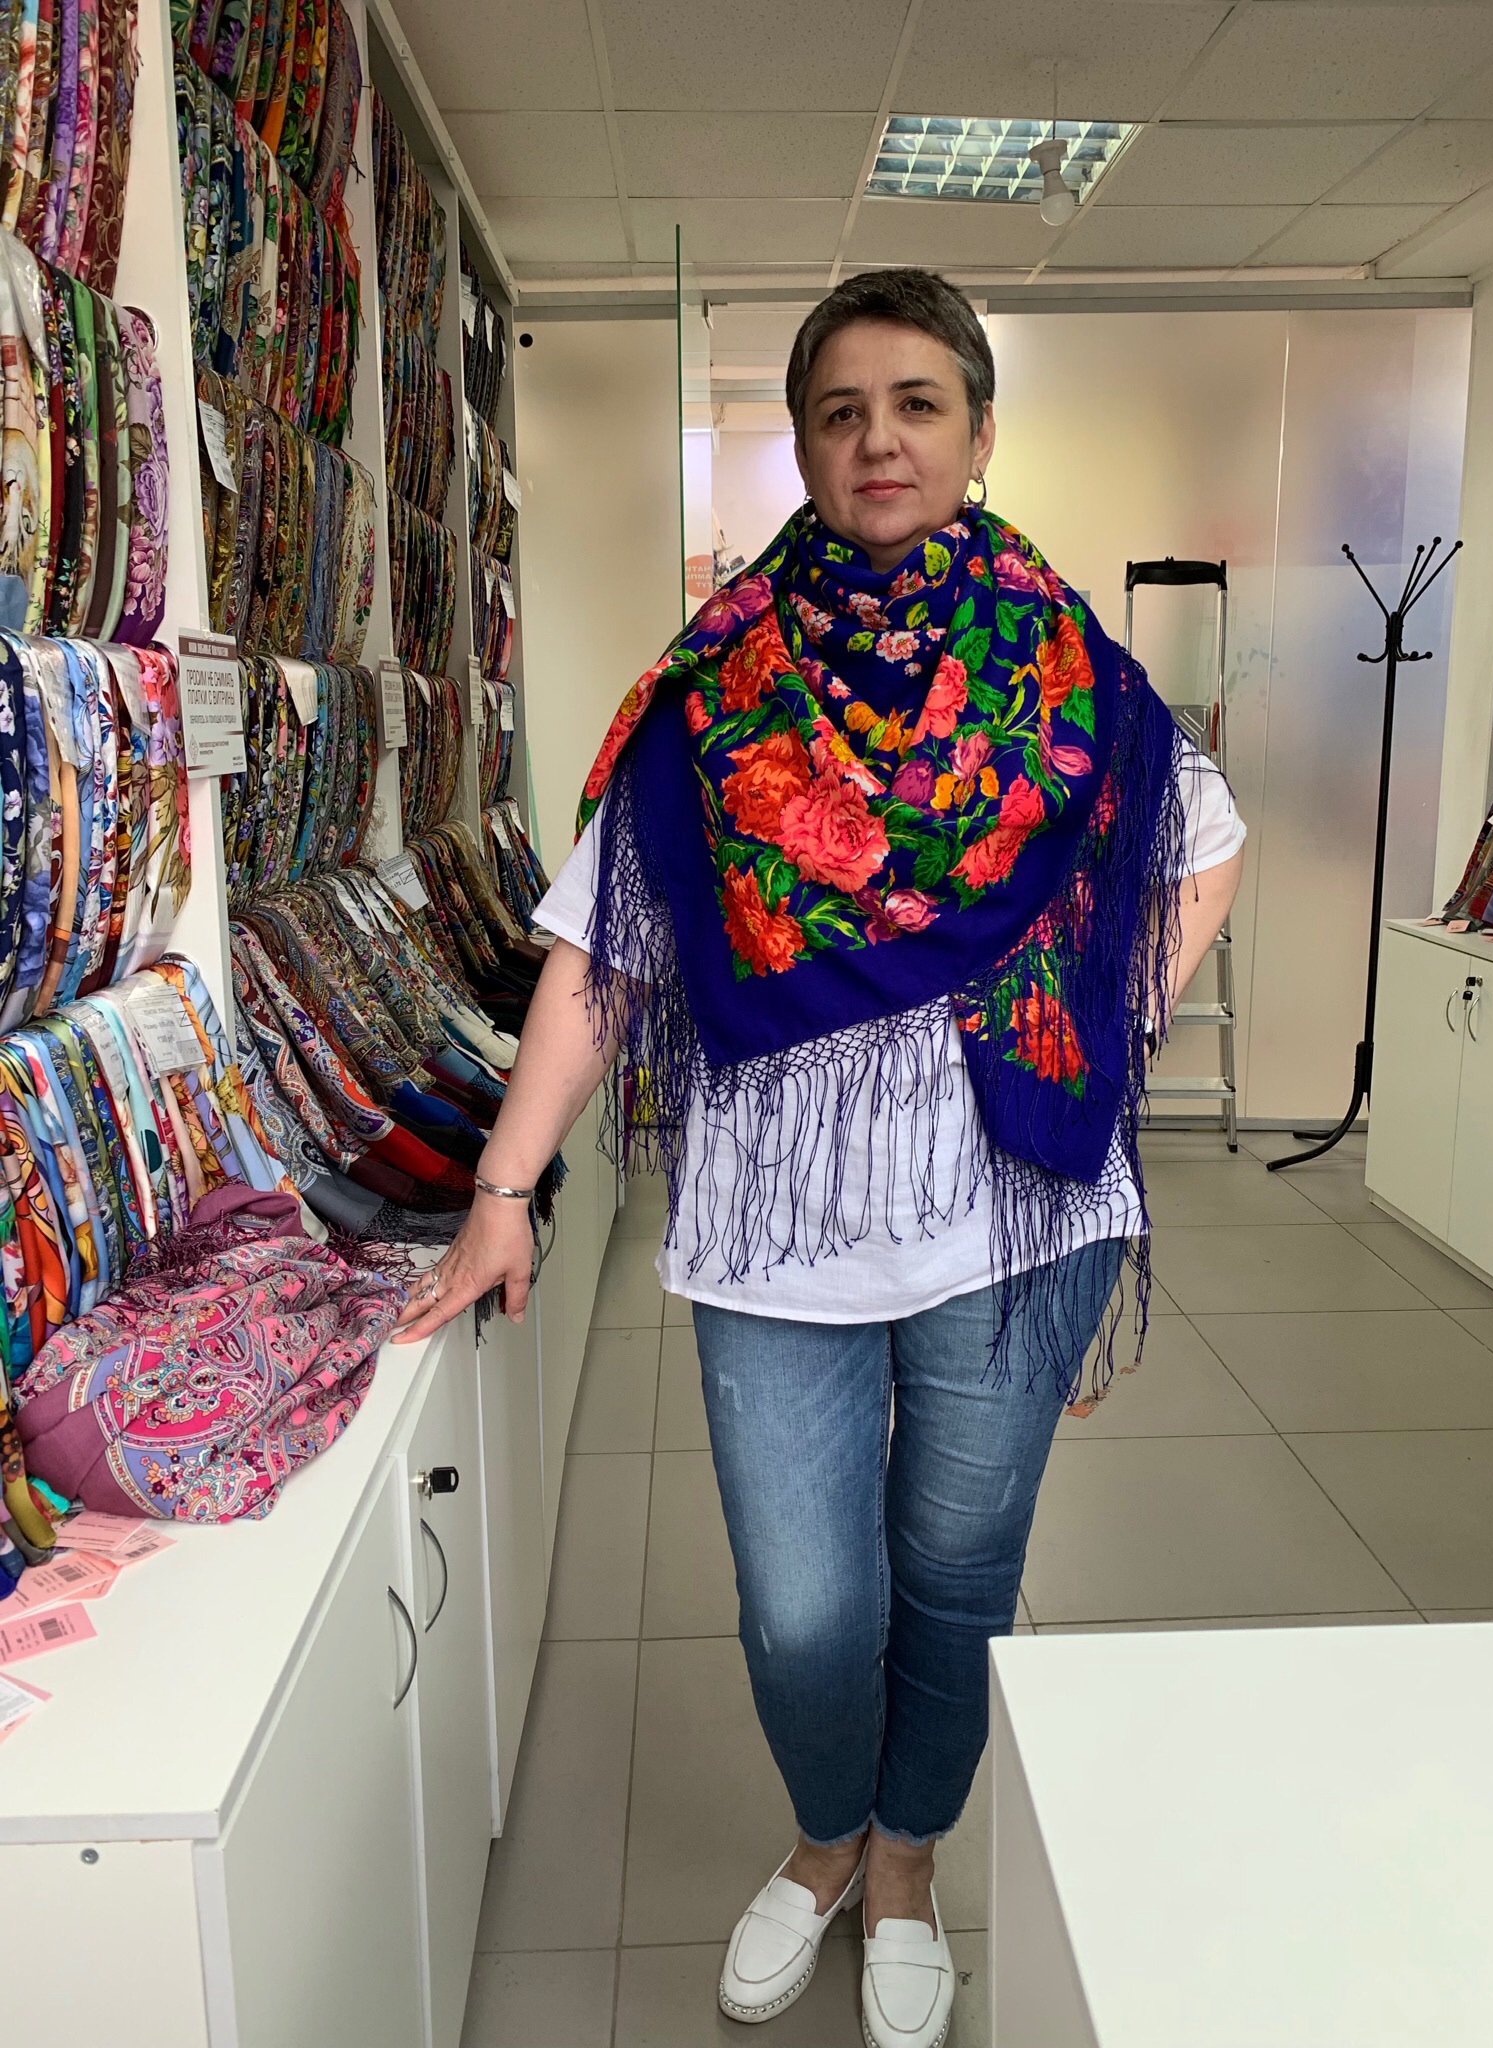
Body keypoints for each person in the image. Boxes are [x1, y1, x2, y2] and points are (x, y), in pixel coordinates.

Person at [395, 267, 1244, 2048]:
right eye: (843, 410)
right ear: (801, 445)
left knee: (958, 1576)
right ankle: (822, 1835)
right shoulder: (710, 695)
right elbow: (604, 957)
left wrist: (1102, 1032)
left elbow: (1204, 848)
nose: (881, 440)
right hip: (775, 1232)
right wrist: (500, 1194)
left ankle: (907, 1860)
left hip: (1019, 1218)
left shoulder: (1071, 671)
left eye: (919, 403)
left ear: (980, 433)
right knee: (801, 1607)